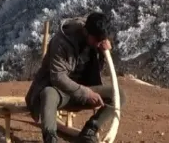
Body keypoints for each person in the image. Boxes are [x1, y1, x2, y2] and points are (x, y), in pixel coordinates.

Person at [24, 11, 126, 143]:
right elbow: (57, 77)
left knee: (118, 95)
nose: (97, 44)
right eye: (96, 40)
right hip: (59, 92)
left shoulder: (96, 41)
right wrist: (85, 92)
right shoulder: (61, 42)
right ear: (86, 32)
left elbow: (95, 70)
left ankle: (89, 131)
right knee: (48, 93)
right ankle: (51, 138)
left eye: (101, 41)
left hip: (82, 92)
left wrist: (103, 53)